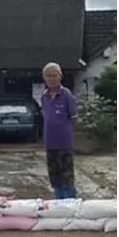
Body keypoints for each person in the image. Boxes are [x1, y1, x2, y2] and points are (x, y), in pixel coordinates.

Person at [40, 62, 78, 199]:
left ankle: (70, 203)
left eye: (53, 75)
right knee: (54, 178)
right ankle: (58, 203)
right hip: (50, 143)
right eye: (48, 76)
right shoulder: (44, 96)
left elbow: (73, 118)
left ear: (60, 76)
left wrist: (69, 135)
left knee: (66, 177)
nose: (51, 79)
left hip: (64, 144)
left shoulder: (66, 95)